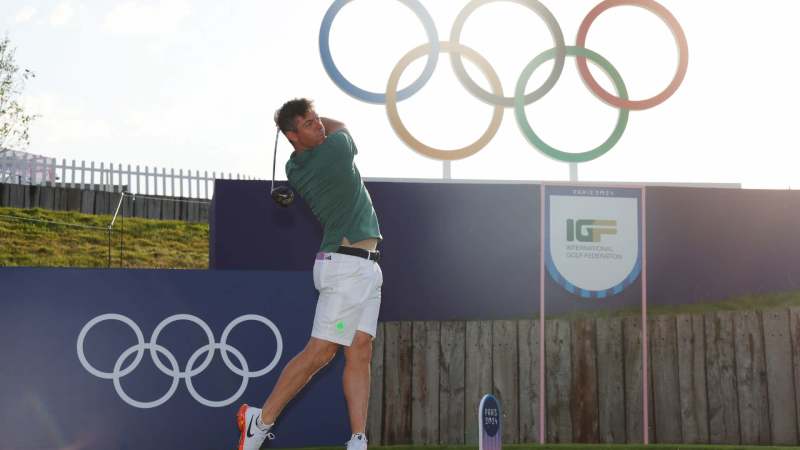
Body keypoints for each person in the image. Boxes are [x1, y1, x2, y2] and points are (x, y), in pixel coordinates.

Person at [236, 98, 383, 450]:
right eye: (308, 123)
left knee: (360, 349)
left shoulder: (294, 167)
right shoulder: (333, 152)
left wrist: (304, 118)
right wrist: (322, 119)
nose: (318, 125)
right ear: (291, 136)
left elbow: (323, 132)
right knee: (321, 352)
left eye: (317, 119)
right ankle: (261, 420)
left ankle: (358, 439)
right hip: (346, 266)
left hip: (364, 267)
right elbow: (342, 126)